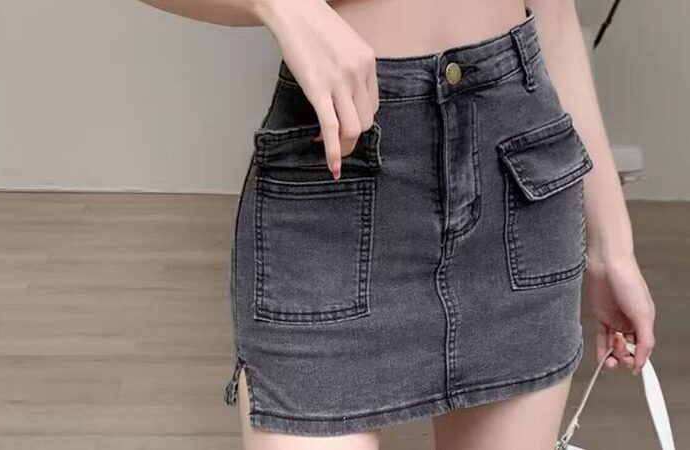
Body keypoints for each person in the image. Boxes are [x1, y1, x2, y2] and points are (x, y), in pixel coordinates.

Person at [137, 1, 656, 449]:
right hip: (333, 185)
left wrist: (613, 247)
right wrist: (283, 6)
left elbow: (554, 18)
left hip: (514, 175)